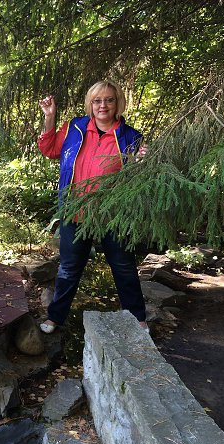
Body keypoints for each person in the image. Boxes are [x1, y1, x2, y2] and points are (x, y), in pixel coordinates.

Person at [37, 79, 148, 334]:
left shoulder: (130, 136)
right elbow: (50, 149)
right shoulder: (74, 128)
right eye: (97, 100)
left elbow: (136, 178)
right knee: (69, 268)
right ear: (90, 104)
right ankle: (55, 318)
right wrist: (50, 117)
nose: (103, 105)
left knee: (123, 267)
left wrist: (144, 162)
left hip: (113, 215)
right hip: (74, 211)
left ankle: (138, 319)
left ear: (118, 103)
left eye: (109, 100)